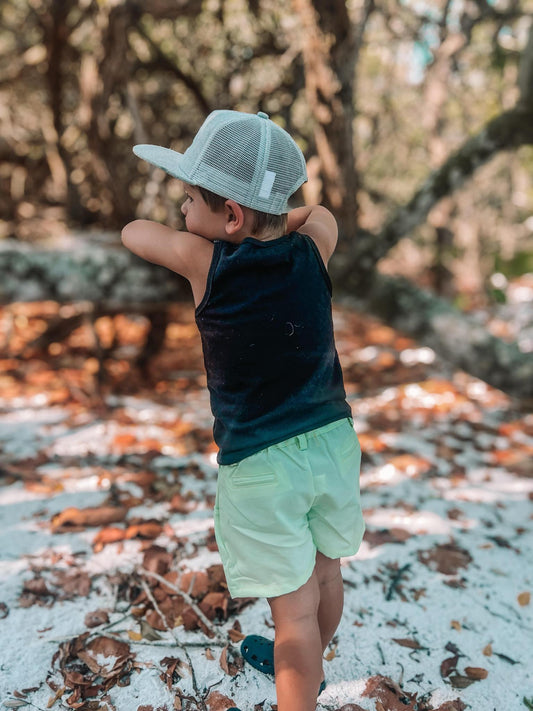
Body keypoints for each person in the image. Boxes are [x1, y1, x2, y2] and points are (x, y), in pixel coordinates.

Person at [122, 109, 365, 711]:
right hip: (333, 443)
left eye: (189, 199)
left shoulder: (208, 263)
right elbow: (322, 215)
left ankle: (297, 689)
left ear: (229, 215)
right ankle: (309, 671)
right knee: (326, 575)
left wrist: (206, 233)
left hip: (261, 463)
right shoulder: (311, 251)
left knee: (292, 617)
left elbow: (134, 233)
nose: (182, 211)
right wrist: (277, 218)